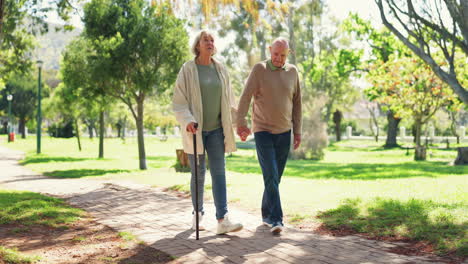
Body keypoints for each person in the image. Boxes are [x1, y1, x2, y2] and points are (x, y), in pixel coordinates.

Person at [172, 30, 243, 235]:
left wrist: (240, 122)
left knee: (219, 174)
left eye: (212, 40)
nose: (210, 42)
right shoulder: (188, 69)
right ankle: (197, 213)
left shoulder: (220, 68)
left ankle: (223, 220)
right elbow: (179, 102)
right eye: (206, 40)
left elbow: (229, 100)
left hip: (217, 131)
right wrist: (187, 120)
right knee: (199, 174)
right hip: (195, 131)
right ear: (198, 45)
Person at [236, 37, 302, 234]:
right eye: (275, 54)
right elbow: (246, 96)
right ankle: (277, 220)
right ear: (269, 50)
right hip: (262, 129)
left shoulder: (293, 72)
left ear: (288, 54)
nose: (279, 59)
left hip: (284, 131)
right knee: (271, 174)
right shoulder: (259, 70)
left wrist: (297, 130)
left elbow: (297, 102)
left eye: (283, 55)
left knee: (275, 177)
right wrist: (241, 123)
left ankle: (266, 214)